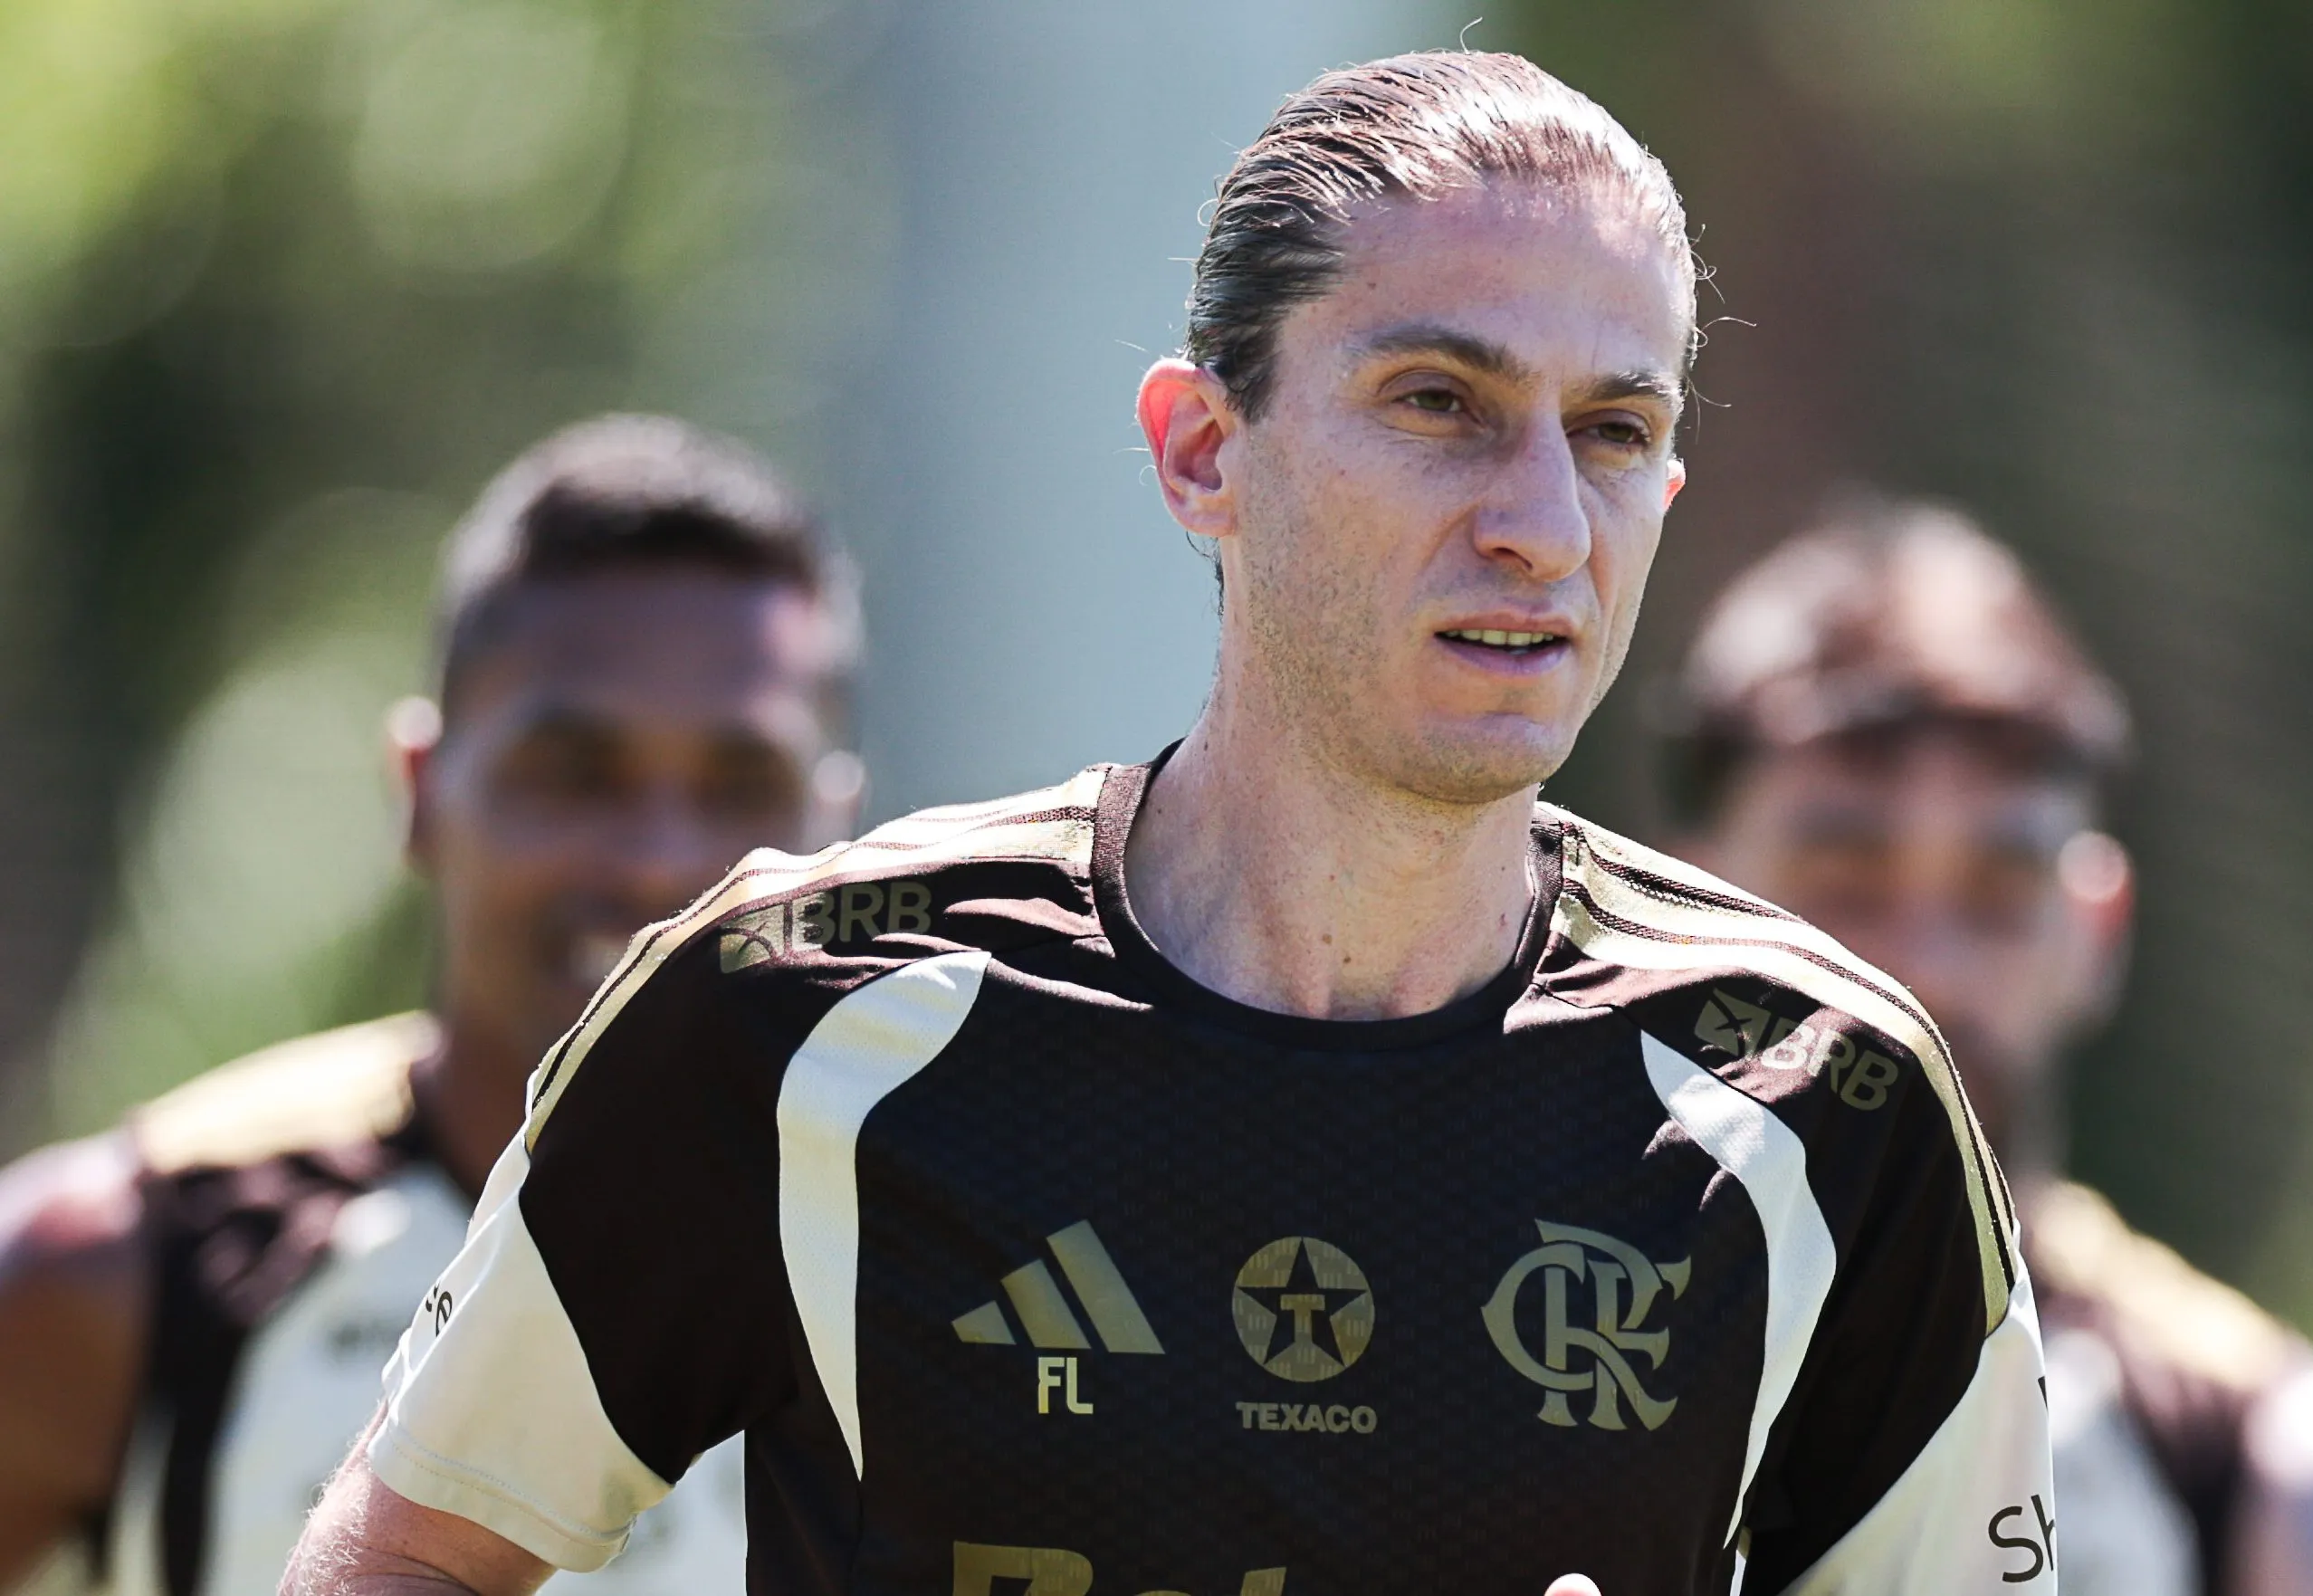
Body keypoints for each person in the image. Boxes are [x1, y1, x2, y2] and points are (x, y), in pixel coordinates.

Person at [284, 52, 2054, 1596]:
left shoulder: (1828, 1098)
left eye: (1608, 430)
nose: (1539, 522)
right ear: (1202, 448)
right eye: (1437, 401)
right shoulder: (793, 1012)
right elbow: (410, 1550)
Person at [0, 415, 864, 1596]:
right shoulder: (120, 1269)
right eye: (575, 771)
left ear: (845, 832)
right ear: (420, 791)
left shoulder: (975, 1249)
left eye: (739, 782)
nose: (662, 861)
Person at [1669, 496, 2313, 1596]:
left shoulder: (2274, 1472)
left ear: (2097, 927)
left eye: (1999, 885)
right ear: (1682, 909)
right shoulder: (1515, 1337)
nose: (1929, 971)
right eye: (1848, 875)